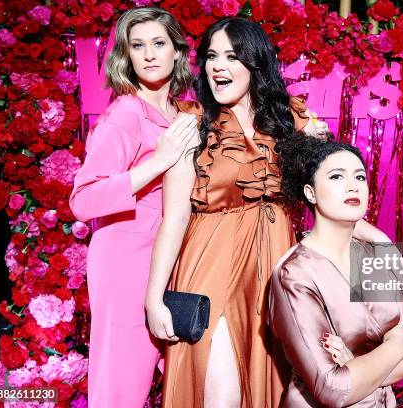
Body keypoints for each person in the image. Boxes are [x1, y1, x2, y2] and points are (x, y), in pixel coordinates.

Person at [143, 17, 331, 408]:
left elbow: (333, 195)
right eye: (211, 56)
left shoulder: (292, 121)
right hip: (213, 262)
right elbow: (174, 217)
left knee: (275, 383)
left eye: (231, 56)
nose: (217, 66)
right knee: (219, 389)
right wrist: (154, 298)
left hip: (275, 267)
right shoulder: (191, 125)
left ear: (256, 63)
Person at [69, 7, 198, 407]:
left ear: (177, 51)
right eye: (137, 46)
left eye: (159, 43)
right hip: (126, 263)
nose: (148, 54)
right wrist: (157, 162)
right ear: (126, 55)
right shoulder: (125, 114)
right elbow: (84, 199)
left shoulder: (180, 113)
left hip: (173, 258)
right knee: (121, 389)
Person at [268, 137, 403, 407]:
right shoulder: (293, 274)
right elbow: (333, 390)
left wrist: (355, 367)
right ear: (310, 192)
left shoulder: (371, 256)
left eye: (360, 177)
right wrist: (397, 344)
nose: (353, 185)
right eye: (336, 176)